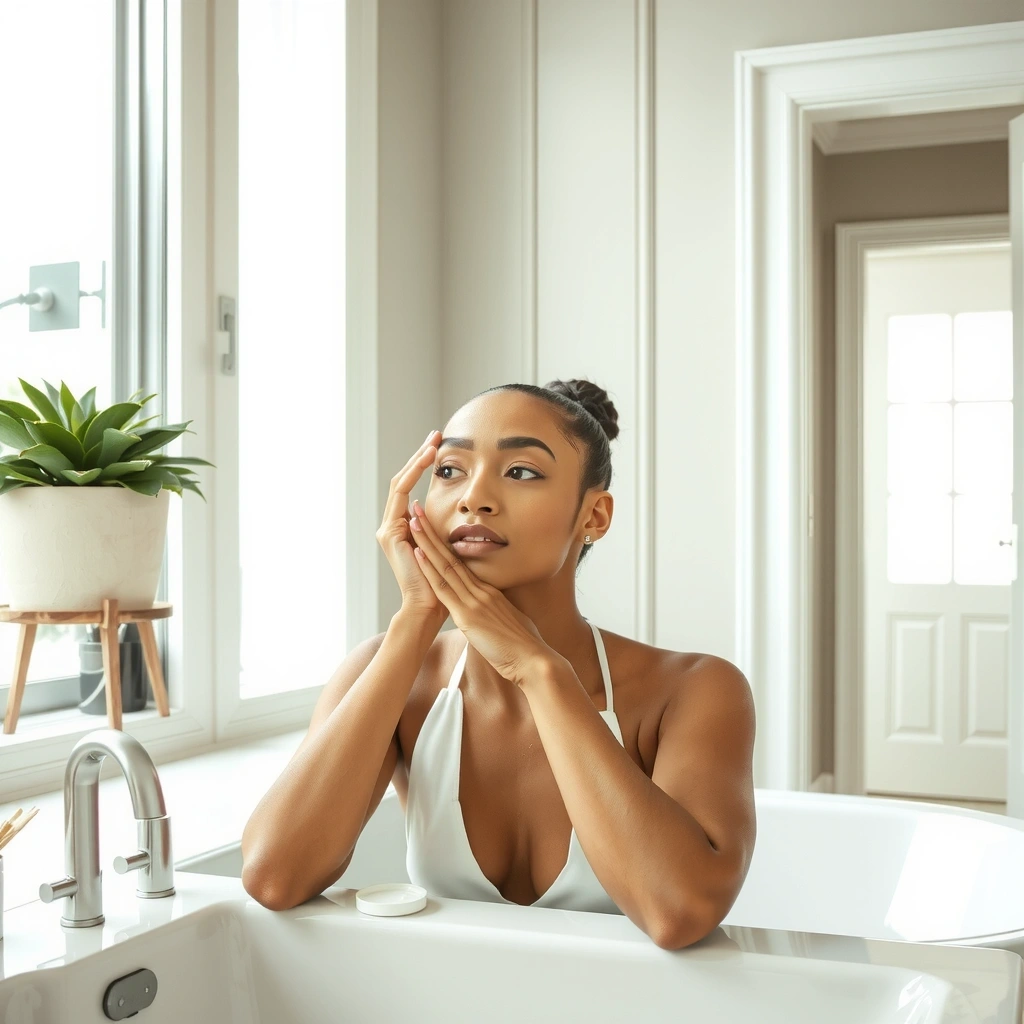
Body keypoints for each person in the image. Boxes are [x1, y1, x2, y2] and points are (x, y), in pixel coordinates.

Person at [240, 379, 756, 950]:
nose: (474, 497)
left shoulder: (695, 690)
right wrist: (416, 618)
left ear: (595, 516)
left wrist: (540, 671)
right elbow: (274, 877)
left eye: (521, 472)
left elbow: (678, 913)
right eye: (450, 470)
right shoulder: (388, 671)